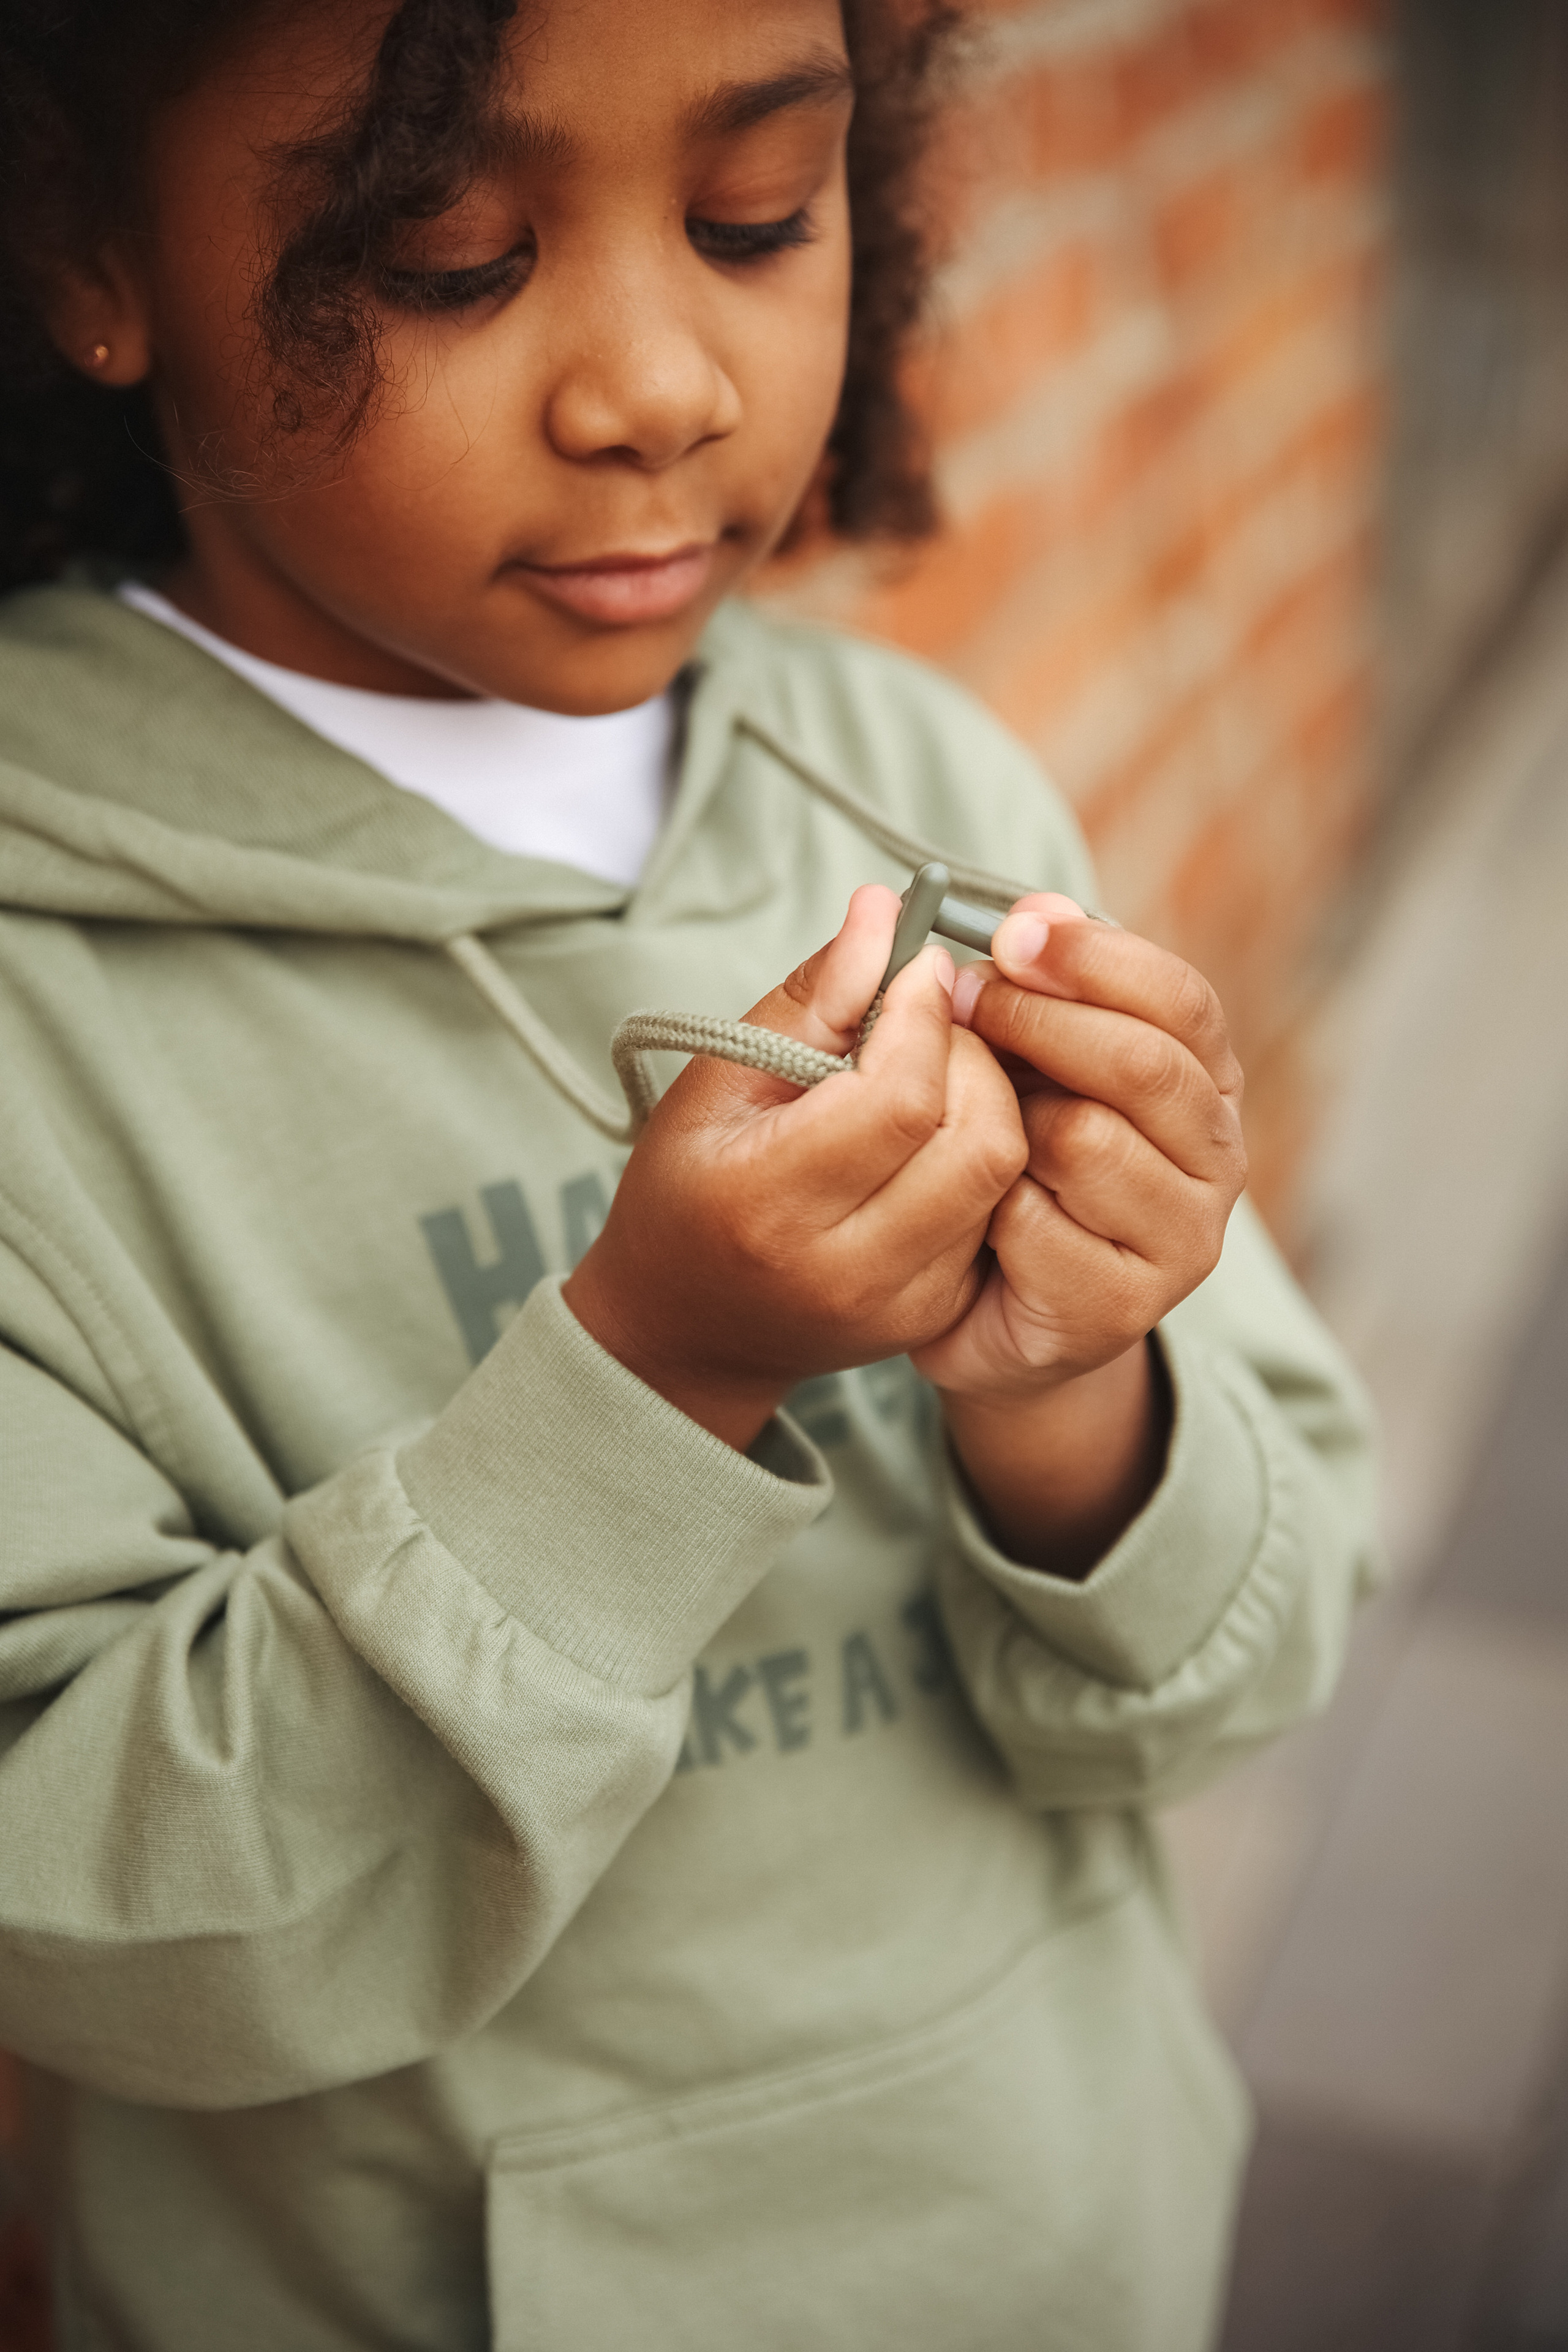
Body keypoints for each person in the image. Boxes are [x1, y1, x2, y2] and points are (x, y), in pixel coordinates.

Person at [0, 0, 1379, 2345]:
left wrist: (1078, 1391)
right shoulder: (46, 1005)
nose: (658, 387)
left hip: (1079, 2247)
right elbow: (105, 1940)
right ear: (84, 249)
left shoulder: (917, 786)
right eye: (449, 255)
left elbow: (1245, 1670)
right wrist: (648, 1383)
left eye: (754, 218)